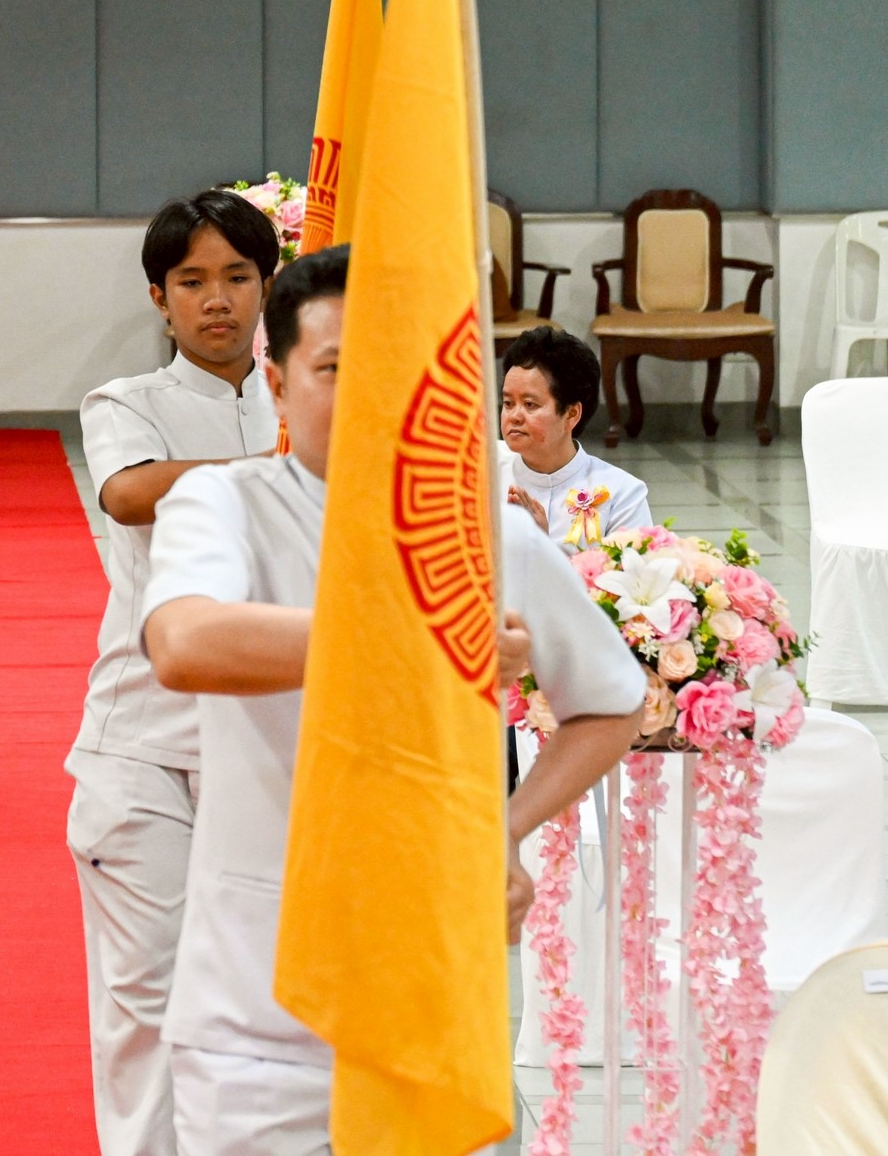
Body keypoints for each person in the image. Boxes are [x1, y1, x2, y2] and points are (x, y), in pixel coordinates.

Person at [138, 247, 647, 1153]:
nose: (368, 393)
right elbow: (185, 644)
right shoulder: (223, 504)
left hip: (432, 986)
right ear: (279, 381)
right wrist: (419, 638)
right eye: (334, 369)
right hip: (259, 1000)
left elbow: (613, 703)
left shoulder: (483, 527)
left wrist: (504, 825)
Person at [62, 190, 283, 1156]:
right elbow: (130, 493)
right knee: (148, 1000)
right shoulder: (127, 403)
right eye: (191, 282)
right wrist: (294, 468)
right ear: (160, 299)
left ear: (269, 286)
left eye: (237, 276)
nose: (217, 300)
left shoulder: (312, 397)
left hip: (278, 747)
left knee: (266, 1004)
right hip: (142, 745)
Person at [501, 324, 651, 547]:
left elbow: (631, 579)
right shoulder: (480, 475)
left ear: (571, 414)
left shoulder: (622, 494)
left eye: (530, 404)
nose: (514, 416)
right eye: (508, 403)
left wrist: (542, 547)